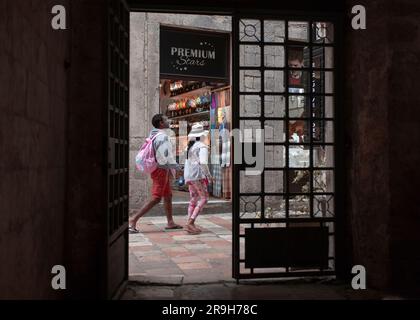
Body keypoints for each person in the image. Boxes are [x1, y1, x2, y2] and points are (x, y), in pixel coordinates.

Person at [129, 114, 182, 233]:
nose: (168, 120)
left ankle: (170, 222)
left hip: (159, 169)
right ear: (161, 123)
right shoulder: (162, 137)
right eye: (166, 119)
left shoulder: (154, 134)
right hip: (161, 170)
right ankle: (133, 219)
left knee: (168, 196)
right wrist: (177, 167)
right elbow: (164, 157)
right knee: (156, 198)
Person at [183, 123, 212, 234]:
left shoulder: (189, 147)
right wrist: (208, 176)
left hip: (189, 176)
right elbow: (203, 163)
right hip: (197, 176)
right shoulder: (202, 146)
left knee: (193, 199)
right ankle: (190, 222)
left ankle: (189, 224)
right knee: (204, 198)